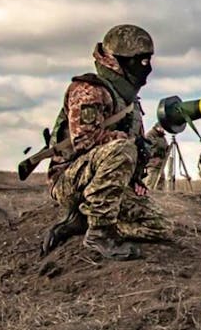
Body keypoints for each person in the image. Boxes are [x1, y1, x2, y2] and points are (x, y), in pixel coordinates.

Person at [41, 24, 172, 260]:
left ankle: (82, 220)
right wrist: (128, 145)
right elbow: (85, 140)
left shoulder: (129, 100)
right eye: (141, 61)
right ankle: (100, 232)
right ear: (120, 60)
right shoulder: (88, 90)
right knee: (122, 149)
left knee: (159, 227)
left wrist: (135, 174)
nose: (148, 68)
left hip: (102, 177)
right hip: (70, 180)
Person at [142, 123, 169, 190]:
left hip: (160, 162)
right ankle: (149, 195)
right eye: (162, 128)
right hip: (152, 162)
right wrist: (156, 153)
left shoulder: (162, 137)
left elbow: (165, 146)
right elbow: (149, 147)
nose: (163, 130)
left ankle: (160, 196)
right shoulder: (150, 135)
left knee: (161, 180)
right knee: (151, 181)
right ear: (157, 127)